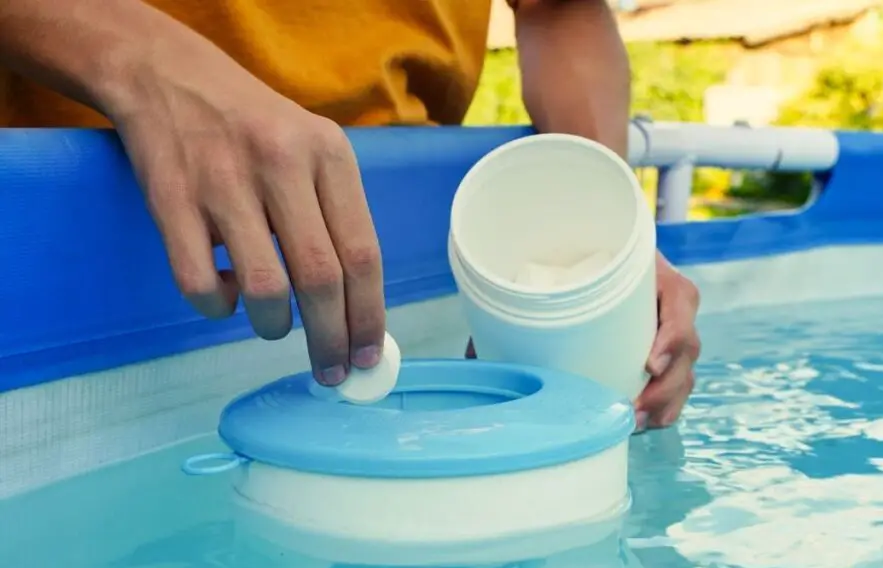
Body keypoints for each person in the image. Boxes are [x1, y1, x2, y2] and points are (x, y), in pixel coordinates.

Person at [0, 0, 700, 430]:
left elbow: (556, 8)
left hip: (409, 261)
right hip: (64, 237)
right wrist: (142, 61)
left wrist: (604, 238)